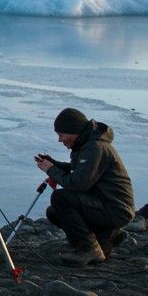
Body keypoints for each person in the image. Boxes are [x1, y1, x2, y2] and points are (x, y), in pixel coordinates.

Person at [34, 107, 135, 266]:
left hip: (116, 210)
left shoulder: (95, 147)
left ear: (73, 130)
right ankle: (106, 237)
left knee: (61, 198)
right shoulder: (86, 144)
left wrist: (51, 170)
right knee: (54, 213)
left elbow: (77, 184)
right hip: (106, 205)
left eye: (61, 135)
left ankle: (89, 249)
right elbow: (78, 170)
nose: (60, 140)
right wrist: (54, 164)